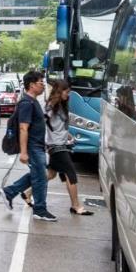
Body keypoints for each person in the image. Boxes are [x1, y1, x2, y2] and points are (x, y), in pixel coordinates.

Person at [2, 70, 56, 222]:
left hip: (37, 146)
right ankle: (40, 209)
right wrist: (24, 152)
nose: (43, 85)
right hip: (32, 147)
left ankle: (9, 192)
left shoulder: (32, 101)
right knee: (40, 178)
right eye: (41, 83)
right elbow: (23, 128)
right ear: (32, 85)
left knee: (38, 175)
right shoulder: (26, 103)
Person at [41, 79, 87, 215]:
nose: (69, 94)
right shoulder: (52, 106)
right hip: (56, 146)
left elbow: (57, 125)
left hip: (60, 144)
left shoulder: (61, 105)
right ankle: (76, 205)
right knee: (71, 174)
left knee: (51, 174)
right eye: (67, 92)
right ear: (60, 91)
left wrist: (68, 136)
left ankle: (27, 193)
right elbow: (43, 122)